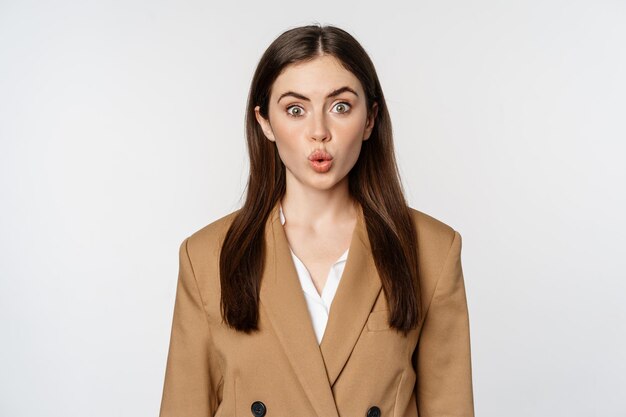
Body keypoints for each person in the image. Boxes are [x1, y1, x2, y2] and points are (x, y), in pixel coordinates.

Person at [159, 23, 474, 417]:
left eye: (340, 106)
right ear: (265, 123)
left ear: (370, 119)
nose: (319, 132)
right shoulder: (206, 256)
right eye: (295, 109)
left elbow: (450, 407)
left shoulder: (432, 250)